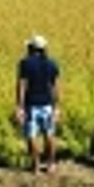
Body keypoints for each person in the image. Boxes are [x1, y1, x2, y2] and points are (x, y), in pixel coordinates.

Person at [16, 34, 60, 173]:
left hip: (31, 104)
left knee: (32, 135)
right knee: (50, 134)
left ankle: (35, 166)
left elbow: (22, 85)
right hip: (48, 104)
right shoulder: (52, 63)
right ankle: (51, 164)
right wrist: (57, 106)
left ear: (31, 48)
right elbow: (55, 87)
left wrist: (20, 106)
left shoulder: (25, 63)